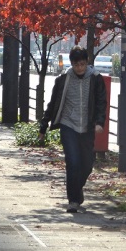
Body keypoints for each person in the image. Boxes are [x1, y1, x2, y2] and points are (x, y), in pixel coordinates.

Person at [38, 47, 107, 213]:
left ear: (87, 62)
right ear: (72, 64)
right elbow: (53, 104)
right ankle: (73, 200)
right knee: (73, 162)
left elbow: (101, 102)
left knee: (87, 165)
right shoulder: (64, 79)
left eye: (82, 64)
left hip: (87, 126)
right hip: (68, 125)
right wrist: (43, 126)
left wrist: (99, 122)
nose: (80, 68)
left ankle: (77, 188)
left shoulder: (96, 79)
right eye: (76, 65)